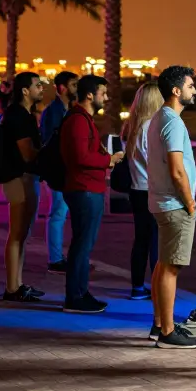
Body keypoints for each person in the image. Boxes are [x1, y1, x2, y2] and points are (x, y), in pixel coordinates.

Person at [147, 65, 196, 349]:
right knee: (171, 267)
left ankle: (159, 324)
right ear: (176, 90)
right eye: (191, 86)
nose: (195, 91)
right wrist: (190, 203)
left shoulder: (158, 119)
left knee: (163, 264)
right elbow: (177, 169)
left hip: (161, 202)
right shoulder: (172, 122)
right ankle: (168, 332)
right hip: (174, 204)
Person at [59, 74, 125, 313]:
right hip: (83, 189)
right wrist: (109, 160)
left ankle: (81, 292)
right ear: (89, 95)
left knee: (84, 244)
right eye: (102, 93)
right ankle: (75, 297)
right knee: (82, 244)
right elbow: (80, 157)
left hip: (88, 189)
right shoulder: (78, 120)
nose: (106, 98)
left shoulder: (83, 119)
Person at [1, 72, 45, 302]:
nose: (41, 89)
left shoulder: (23, 114)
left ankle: (17, 284)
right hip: (18, 178)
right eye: (37, 85)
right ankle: (12, 287)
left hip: (25, 177)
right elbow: (27, 153)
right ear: (25, 91)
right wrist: (48, 152)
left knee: (22, 234)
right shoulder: (18, 116)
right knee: (17, 234)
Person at [123, 82, 164, 301]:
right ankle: (159, 286)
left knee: (141, 240)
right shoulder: (151, 127)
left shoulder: (132, 127)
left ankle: (137, 286)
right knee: (157, 240)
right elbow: (156, 162)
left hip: (136, 189)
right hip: (152, 189)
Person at [39, 71, 76, 274]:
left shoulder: (65, 110)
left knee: (61, 213)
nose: (76, 89)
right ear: (62, 88)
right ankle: (55, 259)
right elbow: (52, 142)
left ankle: (59, 257)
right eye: (73, 85)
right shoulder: (54, 112)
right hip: (57, 170)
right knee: (58, 213)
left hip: (63, 170)